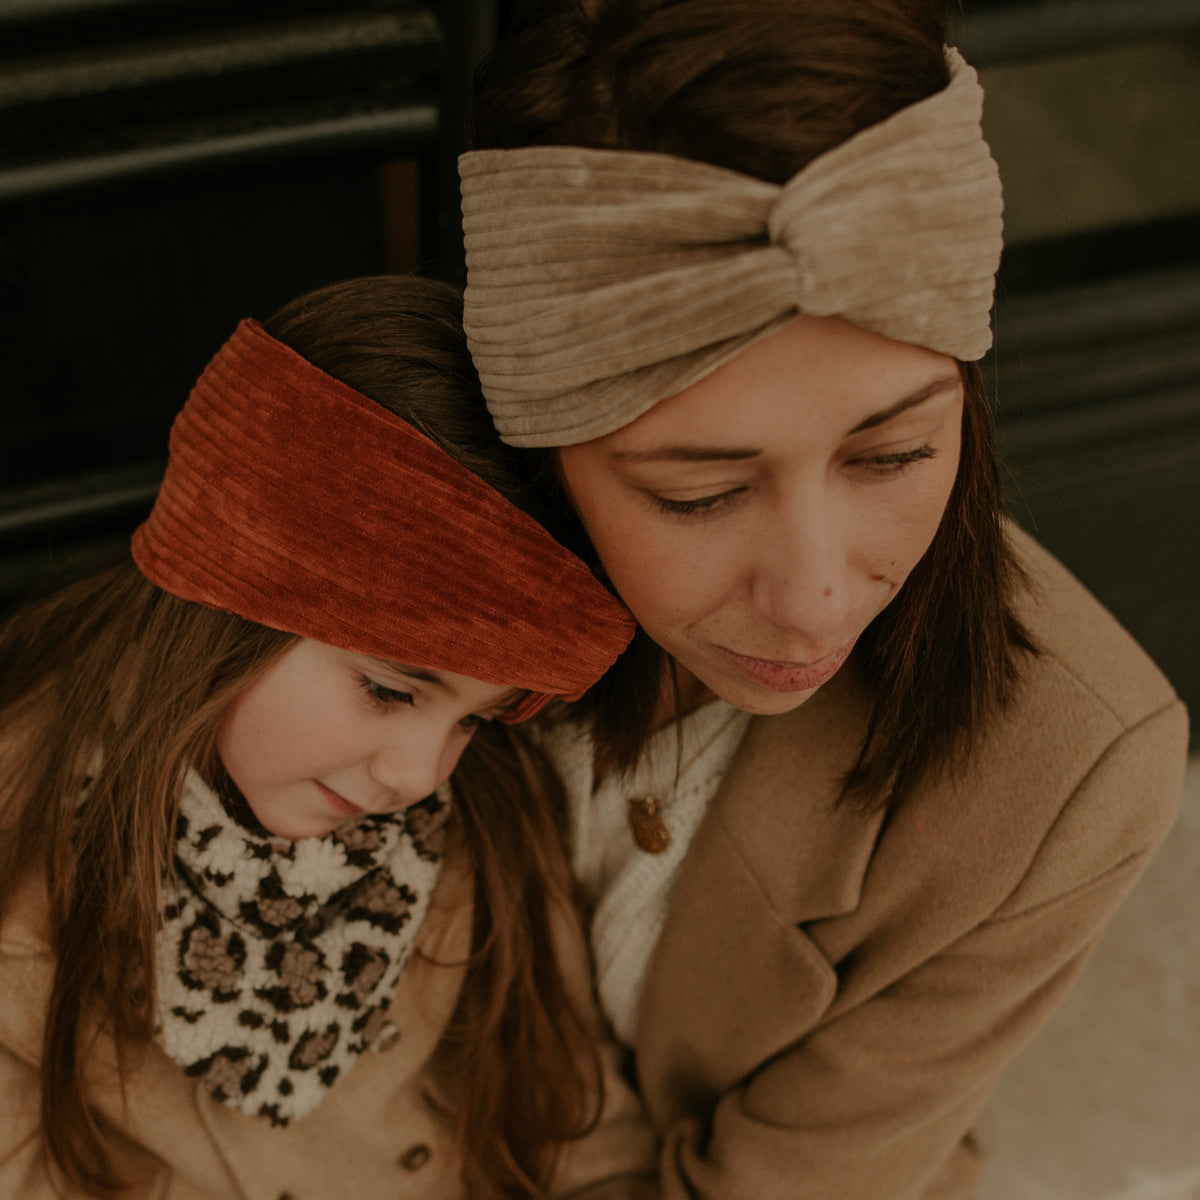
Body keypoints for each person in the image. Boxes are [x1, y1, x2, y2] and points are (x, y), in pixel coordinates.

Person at [458, 2, 1191, 1197]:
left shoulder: (1075, 766)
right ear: (541, 454)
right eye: (697, 495)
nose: (812, 597)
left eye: (893, 455)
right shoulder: (406, 526)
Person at [0, 275, 658, 1199]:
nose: (421, 774)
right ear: (228, 591)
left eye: (472, 720)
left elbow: (583, 1140)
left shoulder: (491, 824)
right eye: (389, 691)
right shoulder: (21, 851)